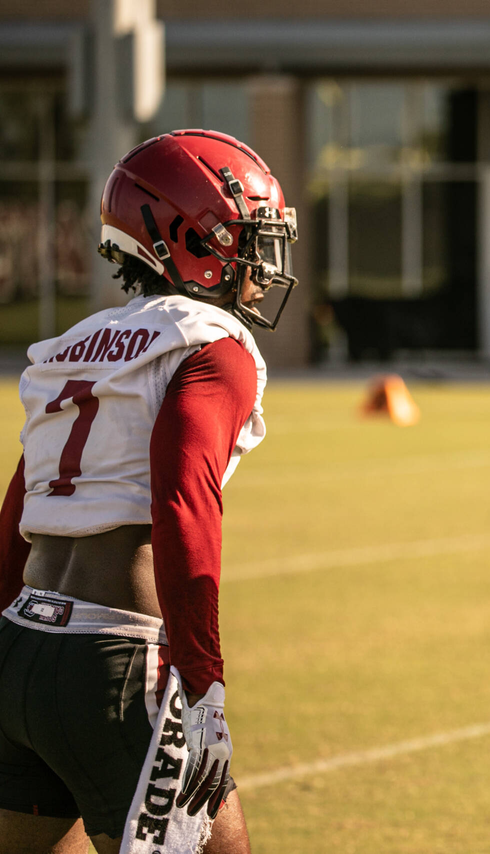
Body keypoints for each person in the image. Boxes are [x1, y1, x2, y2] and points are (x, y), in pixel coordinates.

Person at [0, 129, 298, 854]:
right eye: (248, 237)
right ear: (190, 237)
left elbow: (18, 515)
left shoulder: (73, 345)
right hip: (113, 660)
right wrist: (203, 680)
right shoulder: (212, 343)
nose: (263, 262)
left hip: (18, 643)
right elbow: (183, 499)